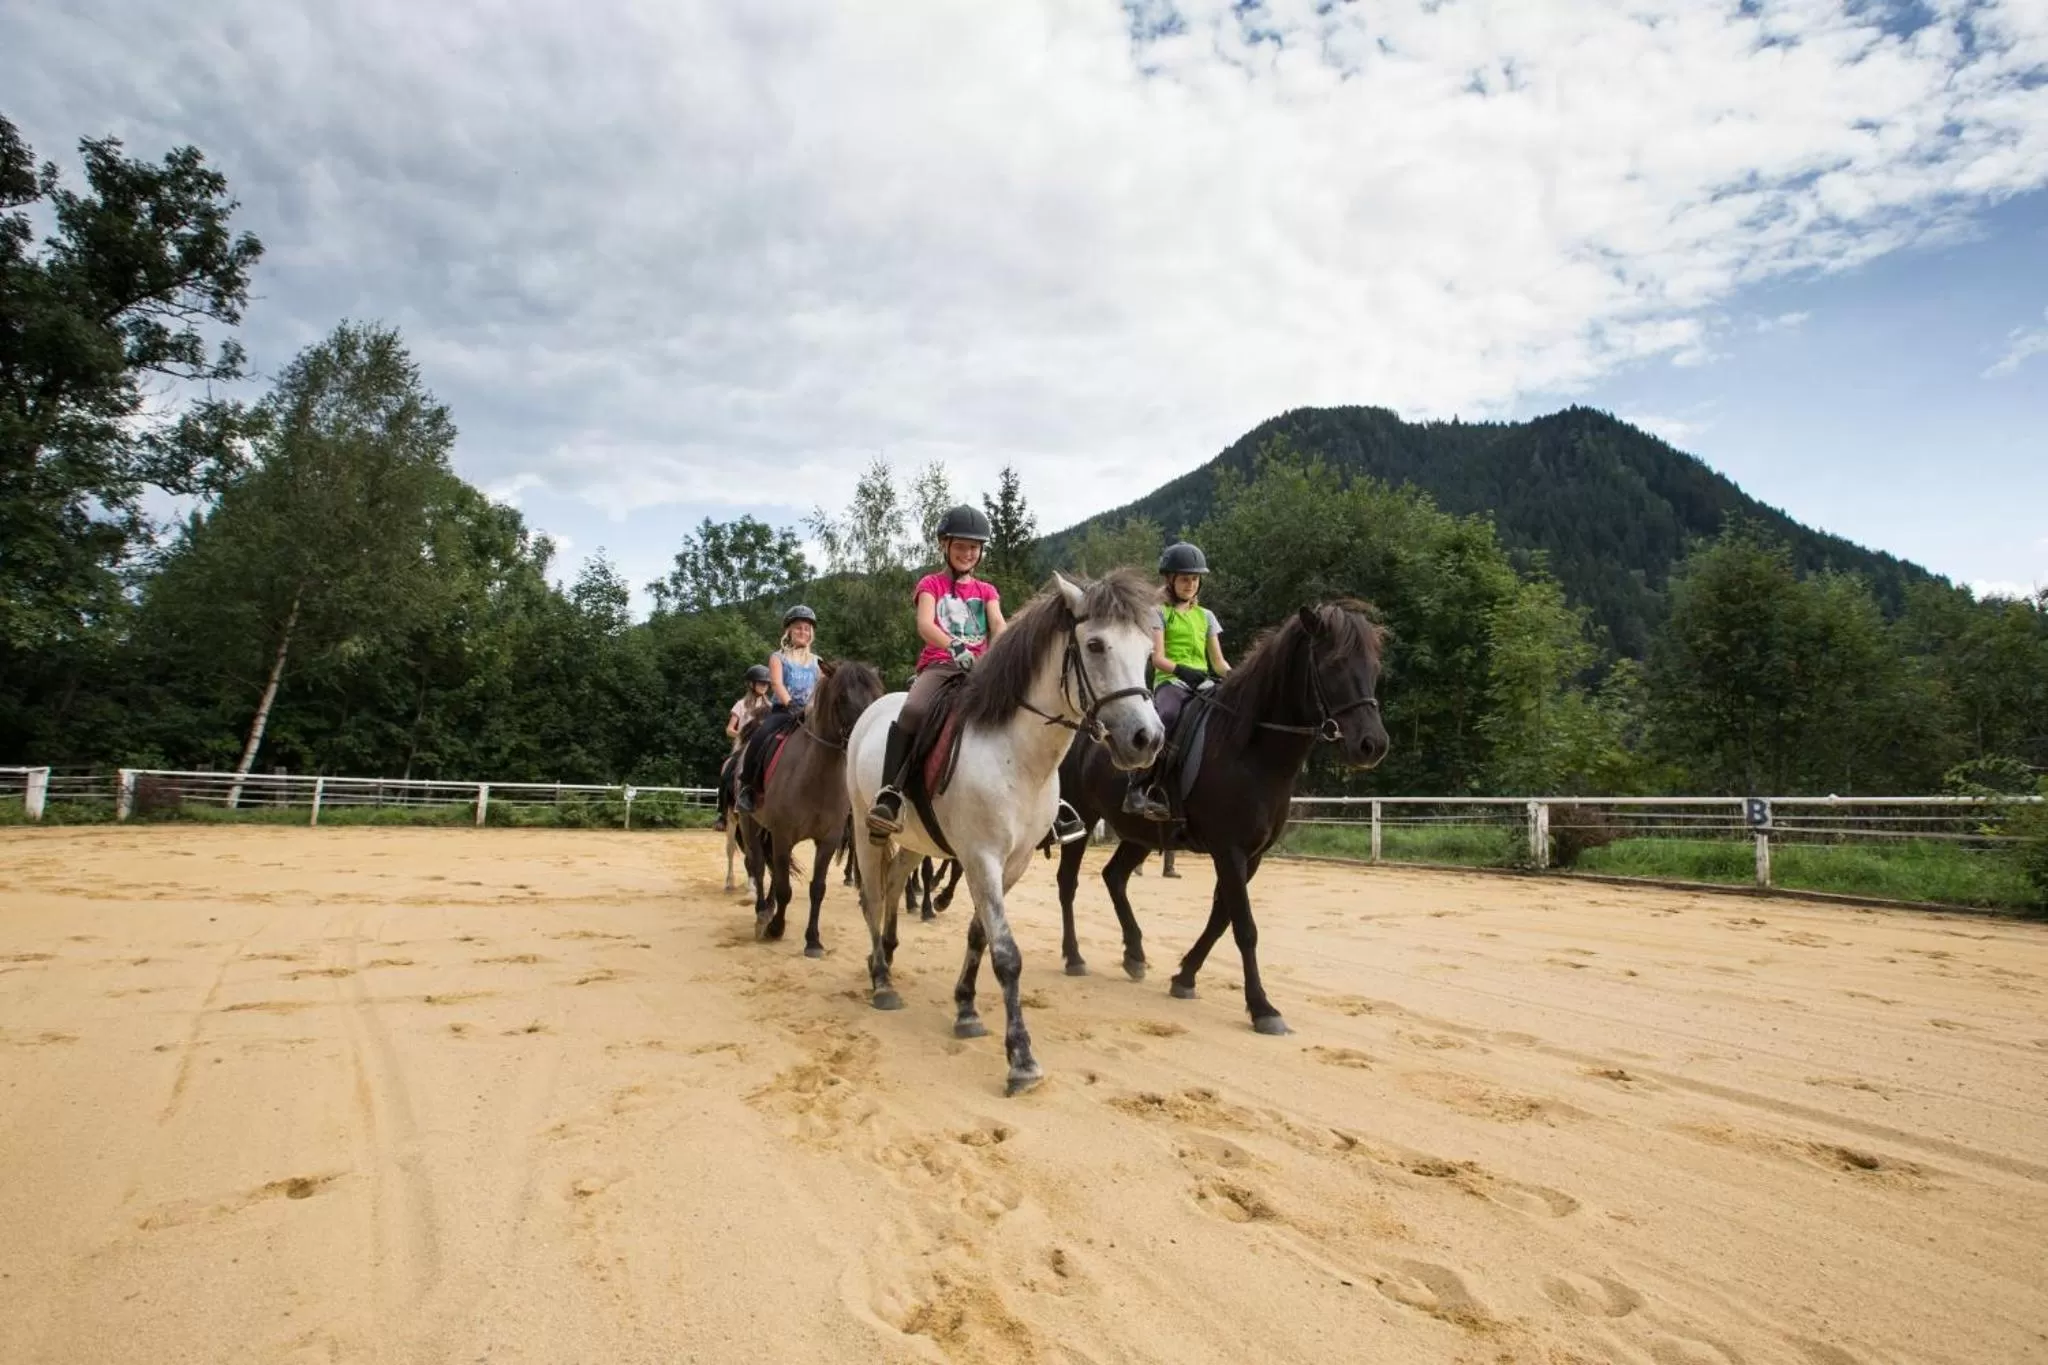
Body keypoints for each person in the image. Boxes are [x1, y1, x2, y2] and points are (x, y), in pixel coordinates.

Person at [1124, 541, 1230, 821]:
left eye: (1195, 579)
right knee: (1166, 718)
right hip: (1172, 682)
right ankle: (1137, 787)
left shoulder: (1206, 616)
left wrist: (1238, 679)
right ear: (1170, 580)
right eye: (1185, 579)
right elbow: (1157, 657)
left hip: (1203, 683)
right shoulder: (1159, 613)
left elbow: (1218, 662)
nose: (1190, 584)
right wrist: (1182, 671)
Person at [735, 605, 821, 814]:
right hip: (784, 711)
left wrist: (813, 706)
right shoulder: (778, 657)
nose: (803, 632)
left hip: (810, 713)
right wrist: (790, 703)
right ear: (789, 632)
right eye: (798, 628)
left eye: (807, 628)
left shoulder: (817, 661)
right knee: (760, 737)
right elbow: (777, 683)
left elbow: (821, 686)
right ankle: (747, 787)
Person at [712, 664, 773, 833]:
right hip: (743, 747)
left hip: (762, 747)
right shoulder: (741, 705)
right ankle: (722, 814)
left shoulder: (770, 706)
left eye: (766, 683)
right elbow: (729, 729)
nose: (764, 686)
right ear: (751, 684)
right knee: (727, 771)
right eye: (760, 683)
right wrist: (742, 734)